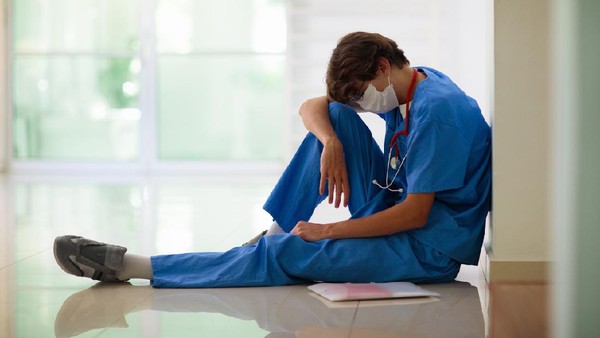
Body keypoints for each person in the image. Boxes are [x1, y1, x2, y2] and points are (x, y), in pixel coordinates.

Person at [54, 32, 491, 288]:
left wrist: (327, 231)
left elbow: (416, 215)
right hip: (393, 202)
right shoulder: (415, 80)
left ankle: (132, 266)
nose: (363, 104)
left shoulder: (439, 112)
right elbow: (313, 107)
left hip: (426, 247)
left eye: (361, 93)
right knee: (333, 119)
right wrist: (331, 141)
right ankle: (275, 232)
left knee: (285, 255)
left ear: (381, 66)